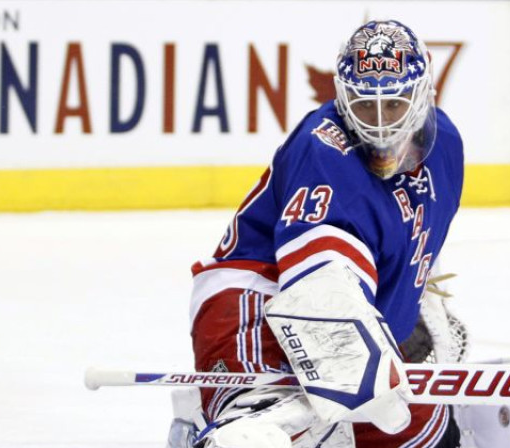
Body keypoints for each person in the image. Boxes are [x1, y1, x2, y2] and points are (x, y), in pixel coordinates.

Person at [171, 20, 464, 448]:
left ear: (423, 97)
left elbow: (412, 240)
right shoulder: (325, 151)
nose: (380, 125)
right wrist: (359, 369)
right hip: (255, 306)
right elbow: (320, 287)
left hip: (362, 322)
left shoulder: (447, 148)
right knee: (260, 436)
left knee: (429, 437)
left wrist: (408, 313)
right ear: (343, 99)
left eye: (395, 104)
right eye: (365, 106)